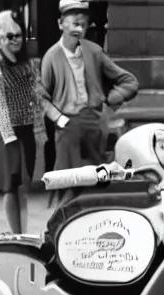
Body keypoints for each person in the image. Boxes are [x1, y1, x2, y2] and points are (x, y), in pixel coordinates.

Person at [40, 0, 139, 203]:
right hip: (67, 126)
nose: (79, 29)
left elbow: (129, 81)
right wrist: (59, 120)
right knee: (69, 183)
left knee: (96, 181)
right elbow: (41, 97)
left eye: (83, 24)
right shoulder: (51, 57)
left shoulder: (93, 51)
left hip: (94, 122)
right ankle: (64, 227)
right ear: (61, 24)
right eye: (74, 23)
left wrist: (109, 104)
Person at [0, 10, 47, 234]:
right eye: (10, 36)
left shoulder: (28, 65)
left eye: (19, 35)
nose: (16, 41)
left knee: (24, 184)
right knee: (10, 185)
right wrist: (9, 137)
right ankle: (16, 232)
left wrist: (40, 129)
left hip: (27, 127)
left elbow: (37, 97)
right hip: (6, 131)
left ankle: (22, 232)